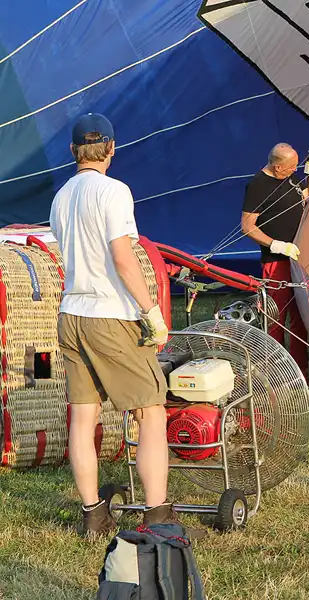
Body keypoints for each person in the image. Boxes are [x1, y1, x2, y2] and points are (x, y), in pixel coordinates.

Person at [49, 113, 176, 536]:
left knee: (82, 419)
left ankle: (93, 515)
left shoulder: (61, 197)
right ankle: (158, 518)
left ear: (72, 151)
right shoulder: (114, 191)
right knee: (151, 411)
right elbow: (123, 259)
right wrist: (151, 311)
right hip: (110, 315)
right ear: (111, 149)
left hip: (71, 315)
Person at [240, 143, 309, 379]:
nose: (295, 170)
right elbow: (247, 227)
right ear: (277, 166)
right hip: (277, 262)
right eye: (291, 166)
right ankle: (274, 374)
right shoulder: (258, 186)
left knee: (300, 317)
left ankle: (299, 374)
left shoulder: (290, 177)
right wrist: (276, 245)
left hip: (297, 258)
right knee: (276, 320)